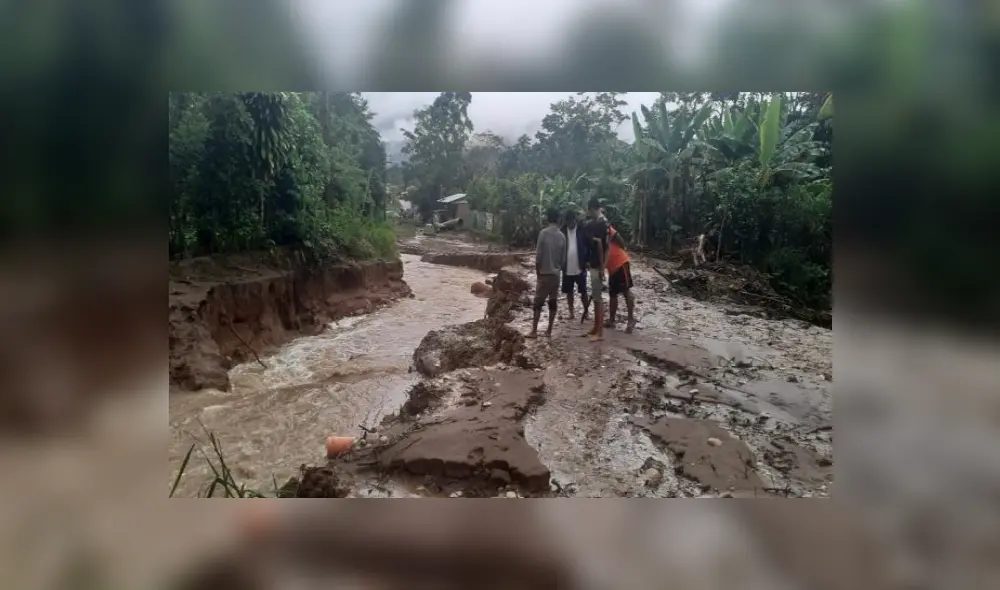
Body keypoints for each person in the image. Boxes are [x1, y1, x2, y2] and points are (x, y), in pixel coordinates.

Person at [528, 207, 566, 338]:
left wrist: (538, 272)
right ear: (558, 219)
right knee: (553, 302)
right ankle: (549, 330)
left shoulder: (543, 234)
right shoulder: (562, 236)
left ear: (548, 218)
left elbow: (538, 257)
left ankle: (534, 331)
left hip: (544, 274)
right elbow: (563, 260)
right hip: (556, 275)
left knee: (538, 303)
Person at [582, 197, 610, 341]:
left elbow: (600, 245)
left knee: (598, 298)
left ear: (592, 209)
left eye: (589, 211)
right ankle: (595, 327)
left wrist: (600, 267)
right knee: (596, 296)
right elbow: (608, 246)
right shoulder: (604, 222)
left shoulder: (599, 223)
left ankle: (599, 332)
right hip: (598, 264)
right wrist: (604, 265)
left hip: (596, 264)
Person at [604, 223, 636, 333]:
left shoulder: (606, 227)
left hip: (620, 262)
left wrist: (622, 249)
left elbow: (619, 239)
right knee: (612, 293)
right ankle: (612, 320)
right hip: (611, 267)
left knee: (626, 291)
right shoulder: (596, 234)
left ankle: (631, 320)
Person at [559, 209, 590, 321]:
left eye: (571, 221)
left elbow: (589, 245)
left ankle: (586, 312)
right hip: (567, 267)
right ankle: (571, 313)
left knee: (583, 291)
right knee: (569, 291)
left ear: (574, 220)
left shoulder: (582, 230)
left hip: (580, 266)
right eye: (567, 222)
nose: (569, 224)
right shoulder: (562, 231)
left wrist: (587, 260)